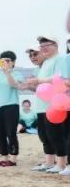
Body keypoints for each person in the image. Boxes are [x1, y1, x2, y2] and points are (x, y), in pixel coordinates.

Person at [21, 36, 68, 175]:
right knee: (45, 136)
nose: (43, 48)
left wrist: (39, 80)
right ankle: (49, 162)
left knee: (56, 136)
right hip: (41, 107)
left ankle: (61, 164)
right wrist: (31, 84)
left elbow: (60, 79)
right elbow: (42, 87)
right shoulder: (46, 63)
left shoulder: (61, 59)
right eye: (41, 46)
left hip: (54, 106)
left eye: (46, 45)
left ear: (55, 45)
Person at [0, 51, 26, 167]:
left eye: (8, 61)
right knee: (0, 133)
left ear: (13, 62)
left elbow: (14, 85)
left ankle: (13, 158)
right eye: (2, 61)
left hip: (11, 105)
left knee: (11, 132)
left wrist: (7, 72)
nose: (5, 63)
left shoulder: (17, 73)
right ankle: (4, 157)